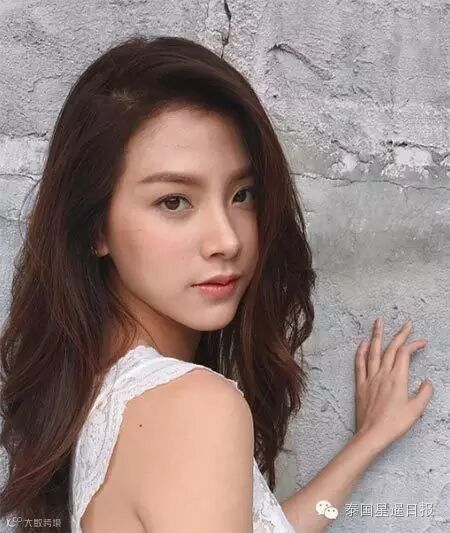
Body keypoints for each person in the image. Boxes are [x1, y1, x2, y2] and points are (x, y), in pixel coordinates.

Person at [0, 35, 433, 533]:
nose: (227, 240)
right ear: (96, 227)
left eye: (242, 194)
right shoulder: (194, 408)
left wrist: (367, 443)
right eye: (174, 202)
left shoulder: (103, 391)